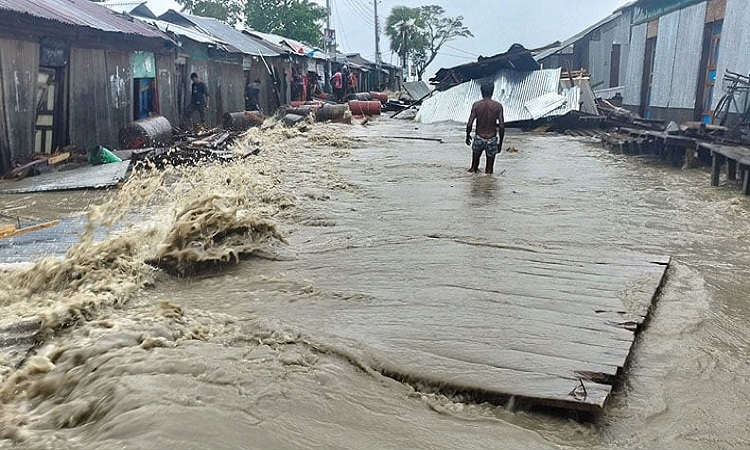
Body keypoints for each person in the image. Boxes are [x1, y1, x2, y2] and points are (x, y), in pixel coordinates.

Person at [465, 81, 504, 174]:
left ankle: (474, 186)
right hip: (492, 138)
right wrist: (500, 143)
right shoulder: (498, 106)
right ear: (492, 91)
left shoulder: (476, 105)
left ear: (481, 91)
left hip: (479, 137)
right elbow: (502, 126)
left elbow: (469, 123)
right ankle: (488, 187)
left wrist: (467, 136)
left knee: (473, 168)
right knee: (489, 170)